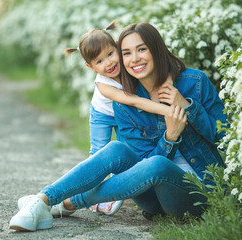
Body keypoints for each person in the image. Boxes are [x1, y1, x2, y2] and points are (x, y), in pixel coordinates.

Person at [9, 22, 227, 232]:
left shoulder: (195, 83)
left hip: (199, 193)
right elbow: (141, 167)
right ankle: (41, 201)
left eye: (142, 49)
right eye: (127, 53)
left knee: (158, 164)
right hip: (153, 200)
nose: (135, 59)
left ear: (157, 49)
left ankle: (67, 202)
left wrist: (188, 107)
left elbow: (225, 138)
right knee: (116, 150)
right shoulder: (125, 103)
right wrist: (169, 138)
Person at [63, 21, 171, 215]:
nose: (109, 63)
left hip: (125, 114)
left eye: (111, 54)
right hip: (102, 115)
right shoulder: (103, 84)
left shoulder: (132, 67)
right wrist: (166, 110)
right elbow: (134, 101)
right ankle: (84, 194)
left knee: (124, 150)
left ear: (117, 48)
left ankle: (115, 191)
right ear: (90, 67)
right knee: (98, 153)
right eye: (99, 62)